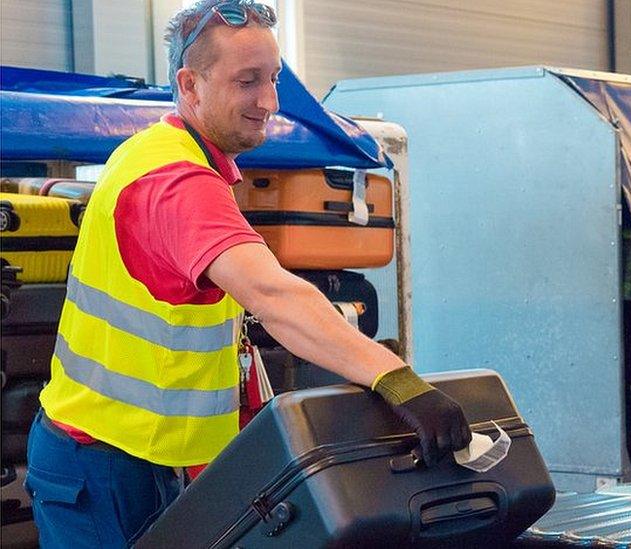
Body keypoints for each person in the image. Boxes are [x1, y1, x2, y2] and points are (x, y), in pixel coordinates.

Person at [25, 1, 472, 547]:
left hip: (151, 456)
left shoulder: (170, 155)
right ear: (190, 85)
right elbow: (272, 293)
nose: (270, 102)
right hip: (104, 465)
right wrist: (399, 382)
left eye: (274, 78)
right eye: (247, 81)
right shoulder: (175, 181)